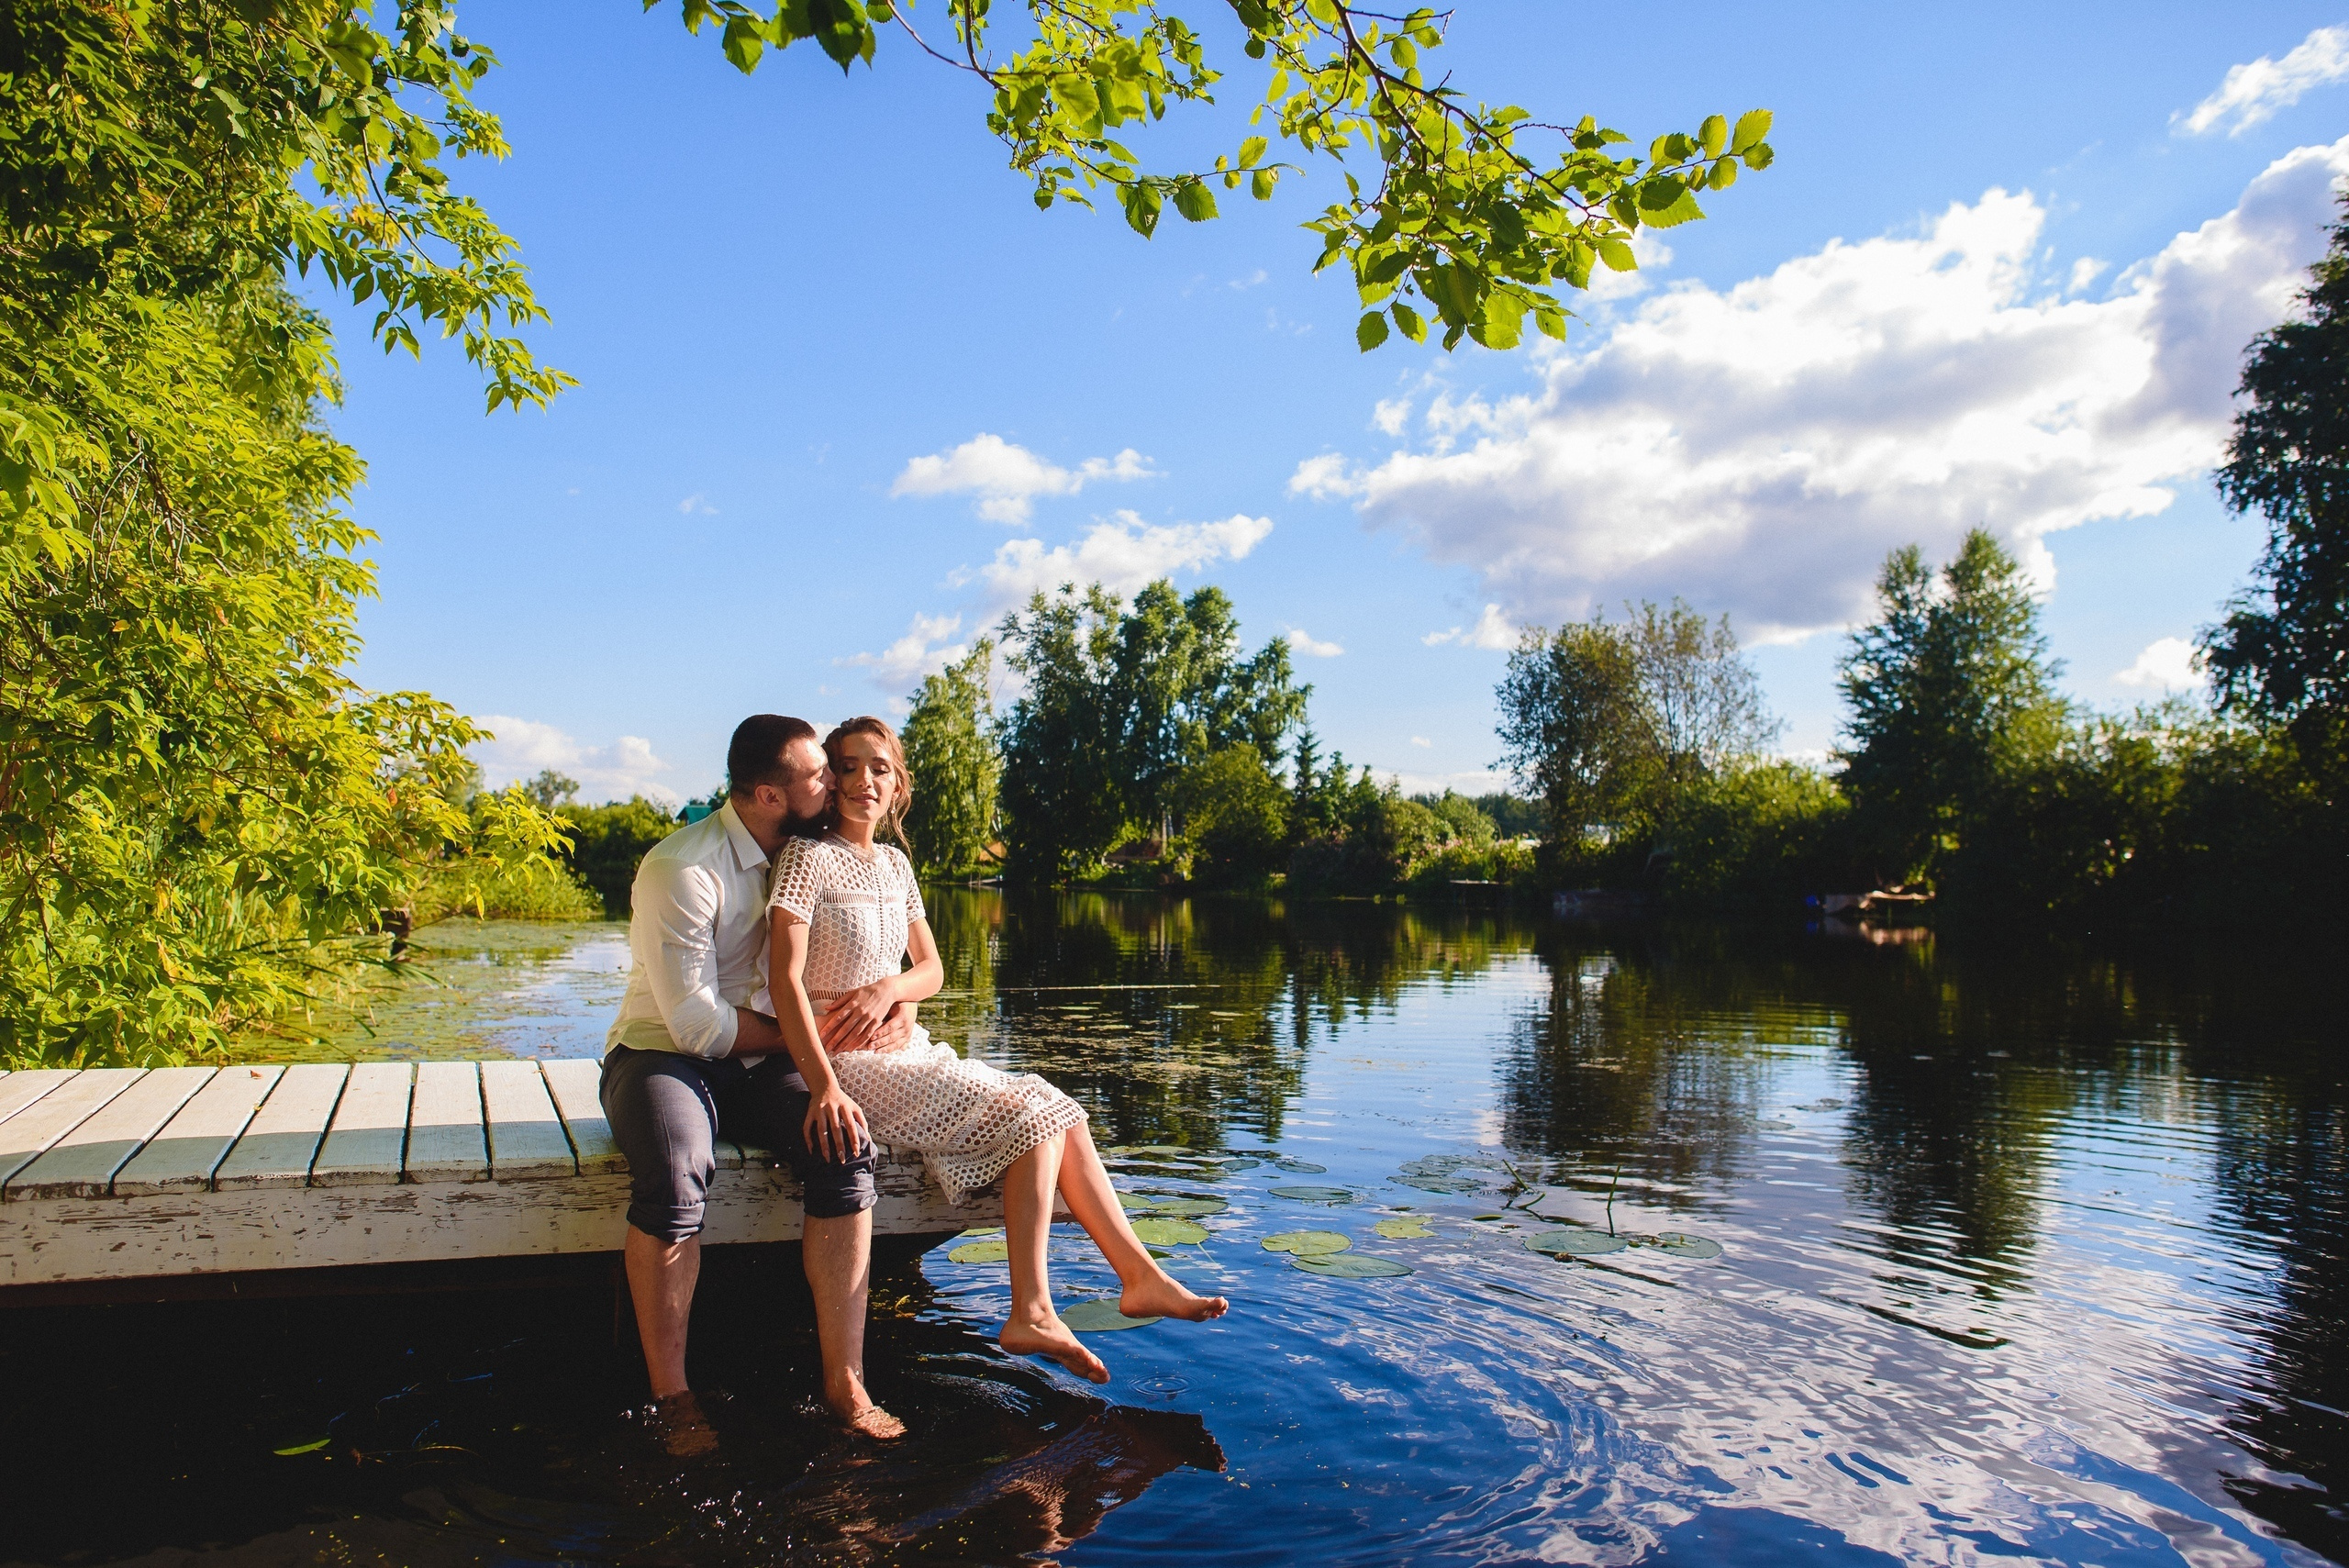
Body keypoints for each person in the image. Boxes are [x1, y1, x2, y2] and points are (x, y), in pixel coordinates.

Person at [767, 716, 1229, 1384]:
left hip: (908, 1048)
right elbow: (783, 978)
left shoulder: (895, 865)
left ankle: (1137, 1277)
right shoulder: (806, 858)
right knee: (1034, 1115)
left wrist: (892, 990)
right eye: (848, 766)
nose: (864, 779)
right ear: (830, 781)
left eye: (879, 767)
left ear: (898, 784)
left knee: (1060, 1106)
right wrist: (824, 1084)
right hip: (846, 1063)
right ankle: (1032, 1309)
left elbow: (932, 969)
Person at [601, 714, 916, 1453]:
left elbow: (871, 954)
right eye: (820, 773)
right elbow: (696, 1027)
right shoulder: (683, 868)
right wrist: (818, 1034)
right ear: (771, 795)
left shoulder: (809, 853)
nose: (836, 780)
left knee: (845, 1144)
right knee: (677, 1171)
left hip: (765, 1057)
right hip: (662, 1056)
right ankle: (672, 1396)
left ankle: (845, 1382)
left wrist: (893, 1005)